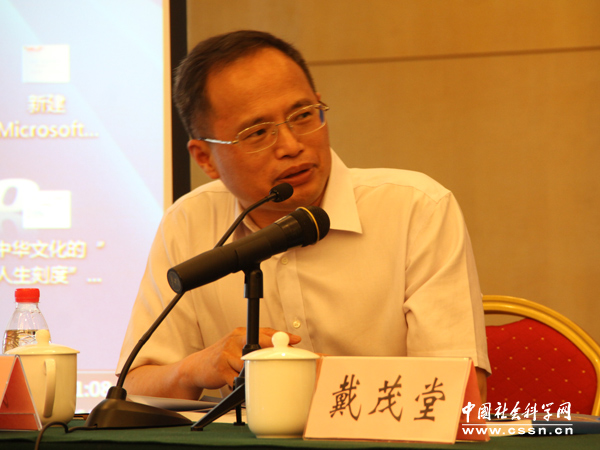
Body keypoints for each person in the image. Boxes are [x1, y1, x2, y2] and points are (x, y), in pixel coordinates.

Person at [117, 30, 491, 401]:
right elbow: (131, 389)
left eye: (303, 115)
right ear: (205, 158)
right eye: (258, 132)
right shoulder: (188, 222)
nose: (292, 145)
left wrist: (319, 380)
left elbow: (462, 395)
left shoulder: (416, 209)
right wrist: (194, 368)